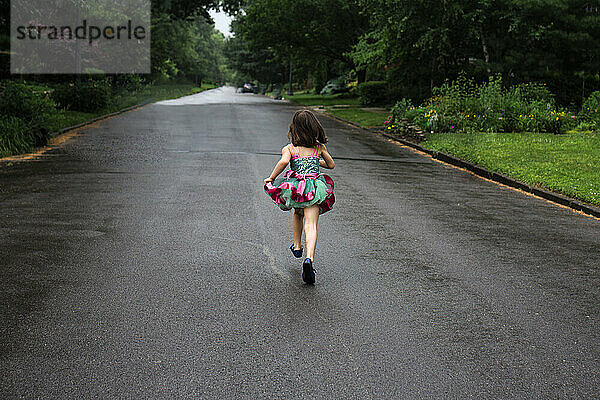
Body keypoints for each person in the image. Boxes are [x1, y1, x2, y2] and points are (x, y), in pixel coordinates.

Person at [264, 110, 335, 284]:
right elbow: (331, 165)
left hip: (297, 188)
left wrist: (271, 178)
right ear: (314, 128)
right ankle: (309, 259)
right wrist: (315, 160)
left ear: (294, 128)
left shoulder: (289, 148)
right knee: (311, 225)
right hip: (314, 187)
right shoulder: (319, 148)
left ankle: (297, 246)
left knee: (297, 213)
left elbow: (283, 162)